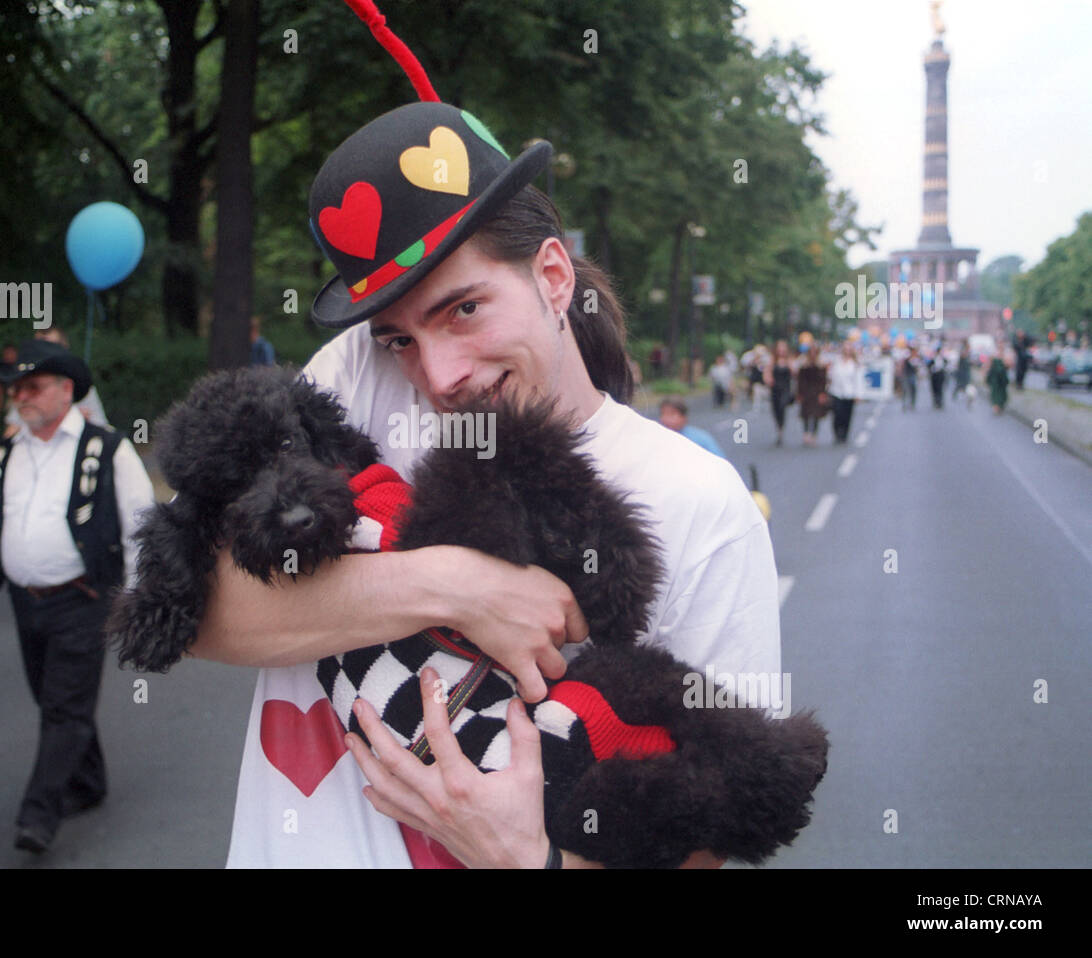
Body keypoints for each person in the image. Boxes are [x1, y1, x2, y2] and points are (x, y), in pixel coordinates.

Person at [190, 96, 779, 869]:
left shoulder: (700, 504)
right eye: (401, 337)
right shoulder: (354, 382)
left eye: (464, 310)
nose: (439, 376)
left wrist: (524, 859)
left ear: (554, 275)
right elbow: (186, 606)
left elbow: (709, 837)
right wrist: (454, 587)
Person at [0, 340, 154, 853]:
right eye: (16, 388)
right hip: (26, 601)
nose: (20, 396)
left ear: (66, 390)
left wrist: (138, 600)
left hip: (85, 598)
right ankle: (88, 782)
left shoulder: (108, 448)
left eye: (33, 386)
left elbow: (142, 526)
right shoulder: (3, 453)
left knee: (64, 709)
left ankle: (38, 814)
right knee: (52, 699)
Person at [5, 327, 108, 432]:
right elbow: (11, 431)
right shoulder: (22, 394)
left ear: (67, 388)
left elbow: (101, 430)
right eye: (38, 345)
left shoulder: (82, 388)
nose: (24, 396)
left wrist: (76, 420)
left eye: (49, 345)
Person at [658, 398, 727, 459]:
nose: (666, 418)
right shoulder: (657, 439)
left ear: (684, 417)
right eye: (663, 414)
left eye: (672, 414)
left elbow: (720, 462)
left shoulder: (700, 439)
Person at [827, 342, 861, 443]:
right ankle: (837, 432)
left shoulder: (854, 364)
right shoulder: (836, 362)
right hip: (836, 391)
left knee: (846, 415)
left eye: (849, 350)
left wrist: (858, 394)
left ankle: (844, 433)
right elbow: (830, 375)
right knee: (837, 413)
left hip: (849, 393)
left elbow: (858, 380)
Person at [795, 345, 828, 447]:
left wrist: (823, 393)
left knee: (816, 413)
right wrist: (799, 393)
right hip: (806, 391)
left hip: (817, 392)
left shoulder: (821, 365)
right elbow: (800, 380)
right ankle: (806, 433)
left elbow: (823, 381)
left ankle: (814, 434)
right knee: (806, 413)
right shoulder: (804, 365)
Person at [764, 340, 794, 446]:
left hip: (785, 389)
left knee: (782, 407)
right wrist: (768, 380)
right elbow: (767, 373)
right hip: (775, 389)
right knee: (776, 410)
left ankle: (781, 430)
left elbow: (794, 372)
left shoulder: (788, 360)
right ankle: (779, 428)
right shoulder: (772, 361)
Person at [986, 349, 1010, 414]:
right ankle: (997, 407)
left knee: (1001, 394)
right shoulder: (994, 359)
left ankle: (1000, 407)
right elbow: (989, 369)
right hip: (996, 381)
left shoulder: (1004, 358)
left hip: (1001, 381)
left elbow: (1007, 367)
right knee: (996, 395)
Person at [901, 346, 920, 412]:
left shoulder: (916, 358)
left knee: (913, 390)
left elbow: (917, 368)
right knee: (905, 390)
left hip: (912, 375)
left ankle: (912, 403)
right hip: (907, 375)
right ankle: (905, 404)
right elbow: (904, 366)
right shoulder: (907, 358)